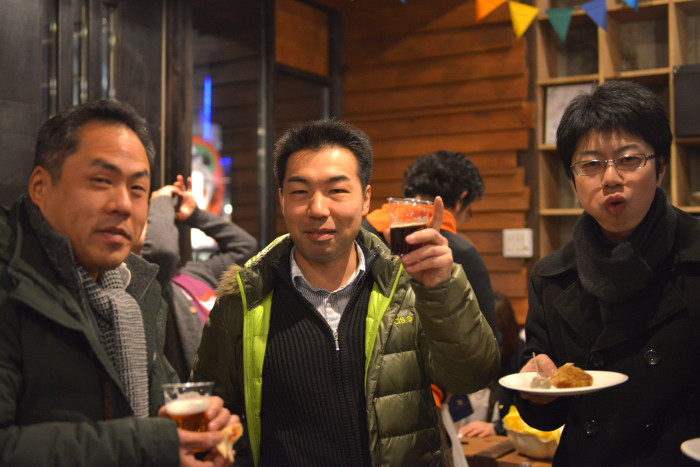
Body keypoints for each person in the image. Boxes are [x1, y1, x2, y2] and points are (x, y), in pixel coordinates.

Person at [192, 119, 501, 466]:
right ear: (281, 200)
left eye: (337, 190)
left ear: (365, 199)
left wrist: (441, 290)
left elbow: (472, 375)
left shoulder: (408, 289)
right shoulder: (243, 300)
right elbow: (211, 415)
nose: (317, 209)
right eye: (299, 192)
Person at [0, 99, 236, 466]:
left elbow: (161, 408)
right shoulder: (14, 281)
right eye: (101, 181)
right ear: (40, 186)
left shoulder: (135, 292)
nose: (123, 205)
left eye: (138, 189)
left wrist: (201, 433)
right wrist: (151, 445)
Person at [514, 80, 700, 465]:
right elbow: (545, 417)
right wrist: (535, 391)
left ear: (661, 168)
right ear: (573, 181)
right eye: (591, 164)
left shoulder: (694, 254)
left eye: (629, 159)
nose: (611, 178)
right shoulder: (551, 277)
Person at [138, 175, 257, 381]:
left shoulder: (195, 272)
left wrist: (195, 215)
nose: (152, 226)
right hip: (197, 394)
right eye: (150, 221)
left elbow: (245, 246)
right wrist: (161, 200)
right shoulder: (150, 283)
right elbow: (162, 252)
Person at [459, 292, 525, 438]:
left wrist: (498, 427)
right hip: (465, 437)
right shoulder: (465, 352)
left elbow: (533, 415)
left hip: (503, 441)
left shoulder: (521, 358)